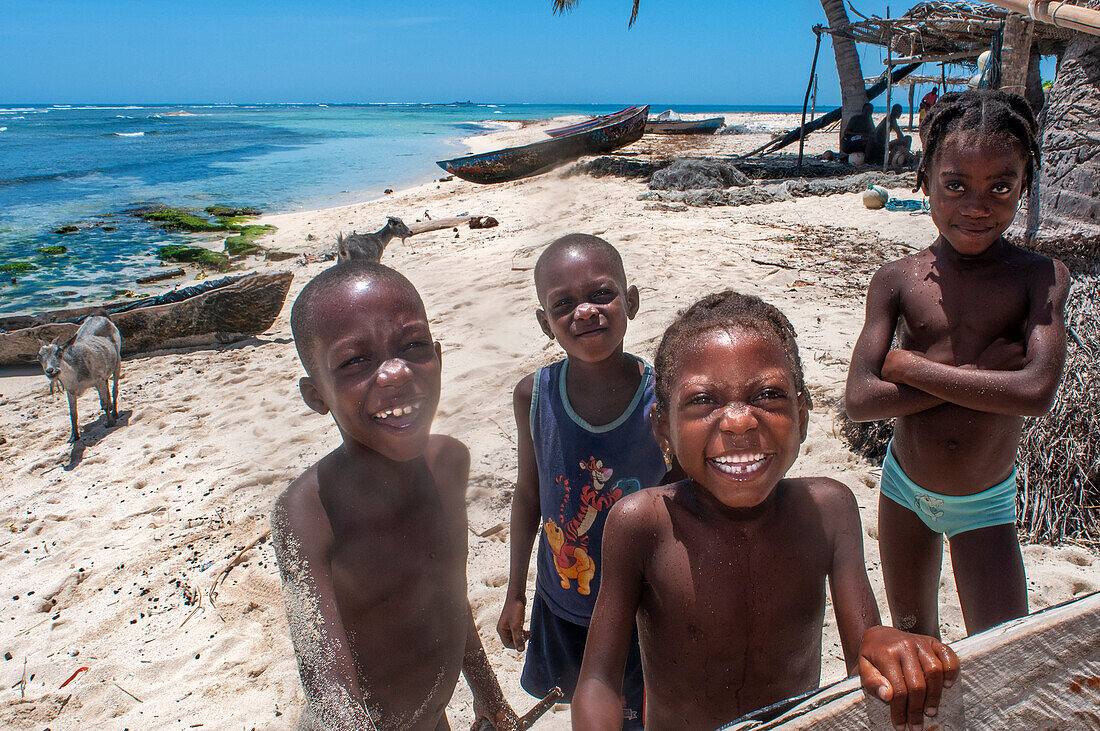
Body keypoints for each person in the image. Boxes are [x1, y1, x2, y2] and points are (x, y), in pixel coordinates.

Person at [573, 291, 960, 731]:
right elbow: (599, 680)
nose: (739, 421)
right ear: (663, 428)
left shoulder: (828, 510)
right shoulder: (641, 524)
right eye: (703, 400)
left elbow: (862, 652)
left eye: (768, 395)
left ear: (802, 414)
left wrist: (883, 644)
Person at [845, 89, 1070, 640]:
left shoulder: (1039, 277)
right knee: (915, 645)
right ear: (923, 181)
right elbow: (859, 401)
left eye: (1001, 185)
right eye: (955, 185)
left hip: (985, 503)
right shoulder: (896, 280)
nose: (977, 204)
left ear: (1024, 186)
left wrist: (909, 365)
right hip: (903, 491)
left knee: (1001, 653)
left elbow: (1037, 393)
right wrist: (985, 377)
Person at [272, 262, 518, 731]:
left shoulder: (450, 463)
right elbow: (329, 693)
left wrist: (488, 695)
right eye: (354, 361)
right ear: (315, 395)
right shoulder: (305, 513)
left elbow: (447, 594)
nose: (395, 373)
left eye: (412, 345)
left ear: (439, 356)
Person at [496, 234, 671, 730]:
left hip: (647, 606)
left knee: (644, 713)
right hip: (566, 599)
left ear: (630, 302)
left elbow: (683, 496)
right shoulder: (534, 395)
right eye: (563, 303)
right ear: (544, 323)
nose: (585, 311)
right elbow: (529, 495)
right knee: (587, 708)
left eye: (601, 294)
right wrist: (514, 591)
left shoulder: (663, 396)